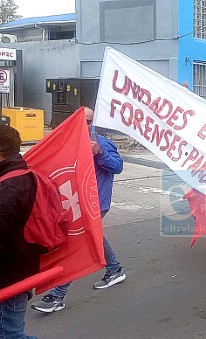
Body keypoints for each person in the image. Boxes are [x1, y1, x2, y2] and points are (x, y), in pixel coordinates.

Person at [33, 107, 126, 313]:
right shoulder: (69, 142)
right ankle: (114, 269)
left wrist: (99, 153)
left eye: (89, 122)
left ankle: (57, 295)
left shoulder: (100, 143)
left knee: (78, 243)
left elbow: (118, 167)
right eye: (82, 121)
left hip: (95, 203)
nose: (85, 126)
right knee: (95, 237)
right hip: (77, 202)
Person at [0, 125, 40, 339]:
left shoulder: (10, 186)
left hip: (10, 276)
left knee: (10, 334)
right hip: (18, 270)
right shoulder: (20, 173)